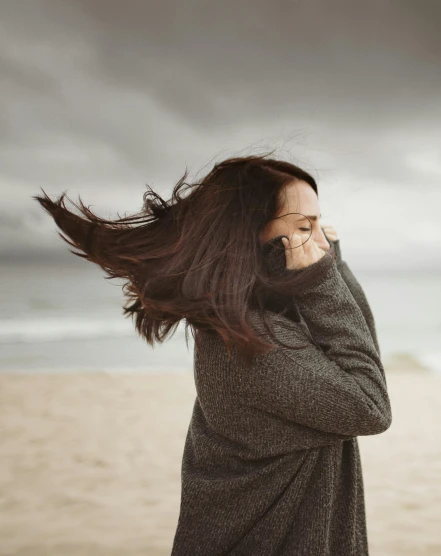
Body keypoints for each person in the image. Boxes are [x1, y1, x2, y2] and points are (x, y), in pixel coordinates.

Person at [34, 154, 392, 555]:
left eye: (319, 226)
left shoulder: (263, 319)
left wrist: (332, 266)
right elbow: (370, 404)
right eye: (304, 228)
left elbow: (360, 353)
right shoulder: (256, 343)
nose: (321, 243)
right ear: (250, 235)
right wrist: (323, 280)